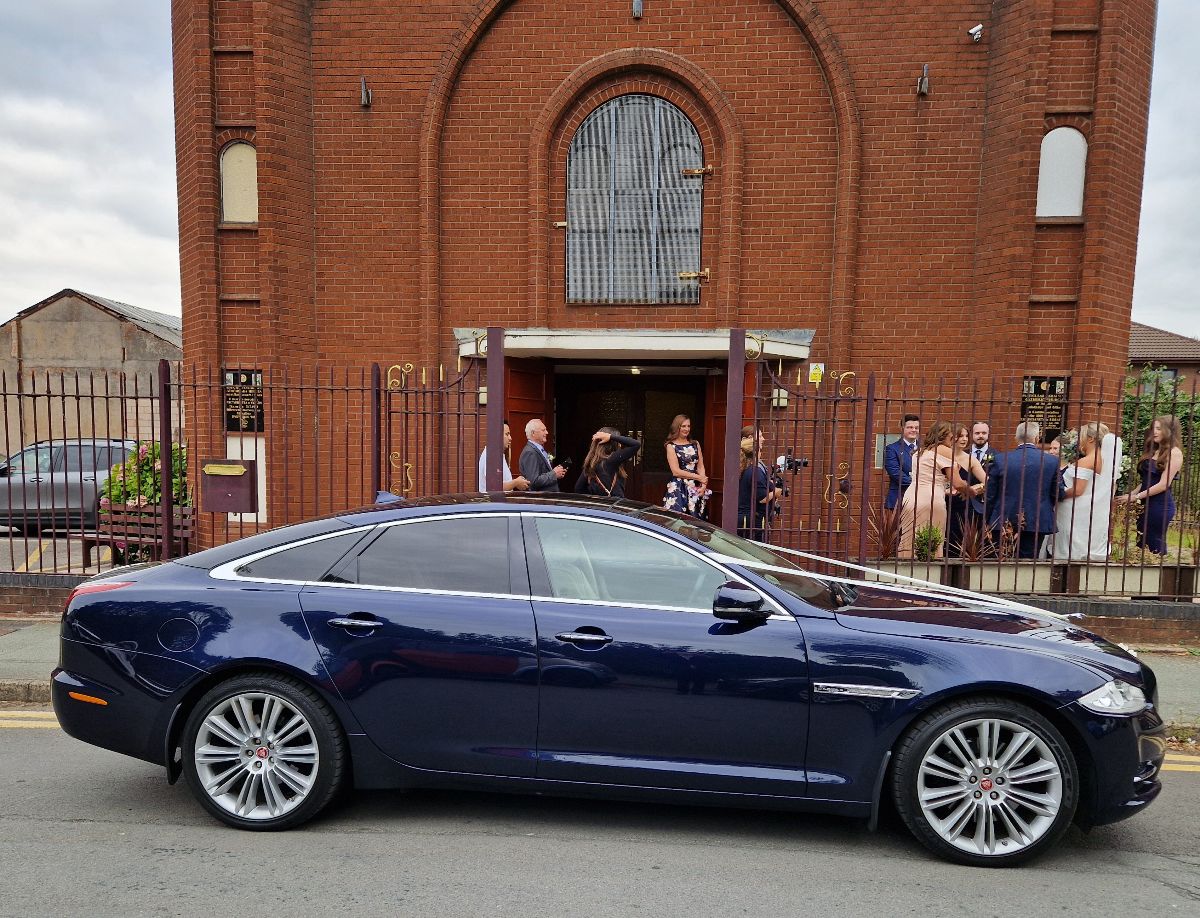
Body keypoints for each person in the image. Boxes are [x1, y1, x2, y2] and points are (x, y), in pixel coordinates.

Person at [985, 421, 1063, 559]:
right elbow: (1057, 493)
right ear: (1037, 438)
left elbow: (991, 494)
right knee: (1029, 561)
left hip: (1003, 518)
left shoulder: (1000, 460)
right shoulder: (1051, 461)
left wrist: (987, 520)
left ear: (1016, 438)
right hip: (1036, 518)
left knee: (1003, 560)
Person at [897, 421, 973, 560]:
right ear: (944, 435)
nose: (955, 440)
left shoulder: (920, 451)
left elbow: (927, 477)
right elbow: (957, 483)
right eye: (953, 436)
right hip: (931, 500)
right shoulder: (943, 450)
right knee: (932, 540)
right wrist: (971, 489)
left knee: (909, 539)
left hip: (911, 496)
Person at [1116, 414, 1185, 554]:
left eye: (1159, 428)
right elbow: (1147, 481)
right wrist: (1132, 494)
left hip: (1160, 506)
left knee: (1154, 544)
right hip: (1145, 503)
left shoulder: (1174, 453)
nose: (1154, 432)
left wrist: (1136, 497)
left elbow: (1163, 484)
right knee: (1142, 543)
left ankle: (1157, 572)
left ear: (1170, 430)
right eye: (1153, 428)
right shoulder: (1154, 450)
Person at [1046, 422, 1108, 561]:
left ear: (1091, 439)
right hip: (1085, 510)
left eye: (1081, 436)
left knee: (1070, 549)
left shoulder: (1086, 461)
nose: (1078, 440)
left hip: (1072, 510)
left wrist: (1057, 495)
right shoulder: (1103, 459)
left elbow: (1078, 490)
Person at [947, 424, 988, 557]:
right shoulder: (941, 455)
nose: (964, 439)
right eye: (960, 436)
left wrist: (973, 489)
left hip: (962, 506)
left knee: (957, 542)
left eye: (966, 436)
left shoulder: (970, 459)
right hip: (942, 503)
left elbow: (988, 482)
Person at [737, 430, 783, 540]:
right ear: (756, 452)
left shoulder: (745, 469)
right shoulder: (755, 471)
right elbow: (762, 498)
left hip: (745, 518)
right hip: (754, 519)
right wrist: (776, 491)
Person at [662, 414, 708, 516]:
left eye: (688, 426)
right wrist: (699, 477)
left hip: (695, 487)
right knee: (677, 519)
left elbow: (700, 466)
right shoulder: (671, 446)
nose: (687, 429)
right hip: (679, 486)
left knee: (696, 520)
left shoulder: (695, 444)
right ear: (677, 427)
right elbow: (676, 471)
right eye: (683, 426)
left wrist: (703, 485)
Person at [575, 428, 641, 498]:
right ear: (613, 443)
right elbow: (636, 444)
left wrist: (594, 496)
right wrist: (611, 436)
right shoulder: (613, 459)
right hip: (613, 506)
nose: (620, 445)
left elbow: (578, 488)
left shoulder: (591, 463)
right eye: (618, 442)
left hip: (597, 506)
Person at [477, 420, 530, 492]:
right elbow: (494, 487)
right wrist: (516, 482)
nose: (510, 438)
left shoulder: (497, 455)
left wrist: (516, 482)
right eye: (507, 434)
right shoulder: (491, 456)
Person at [519, 418, 567, 492]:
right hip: (542, 500)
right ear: (533, 433)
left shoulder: (539, 449)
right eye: (543, 430)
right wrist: (554, 474)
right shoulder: (530, 452)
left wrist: (557, 472)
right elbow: (533, 481)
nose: (547, 432)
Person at [884, 415, 920, 511]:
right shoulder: (892, 449)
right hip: (900, 498)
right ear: (902, 428)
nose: (914, 430)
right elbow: (895, 473)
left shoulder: (926, 448)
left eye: (916, 428)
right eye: (909, 427)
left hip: (923, 499)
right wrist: (918, 484)